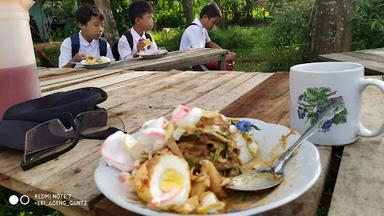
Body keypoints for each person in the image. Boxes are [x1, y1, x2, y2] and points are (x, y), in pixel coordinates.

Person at [179, 3, 235, 71]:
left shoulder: (202, 28)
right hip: (190, 65)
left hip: (198, 61)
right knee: (226, 68)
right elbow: (199, 55)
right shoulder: (195, 29)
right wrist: (223, 58)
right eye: (213, 22)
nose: (213, 26)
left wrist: (225, 52)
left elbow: (210, 43)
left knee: (228, 64)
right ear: (205, 17)